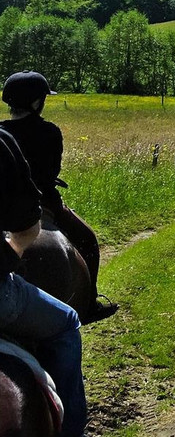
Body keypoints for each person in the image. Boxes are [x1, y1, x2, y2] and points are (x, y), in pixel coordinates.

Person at [0, 71, 117, 325]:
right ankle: (90, 303)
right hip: (44, 202)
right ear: (36, 102)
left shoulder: (1, 131)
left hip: (6, 205)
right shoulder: (50, 132)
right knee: (88, 240)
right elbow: (51, 172)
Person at [0, 124, 87, 437]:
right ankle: (73, 429)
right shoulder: (13, 137)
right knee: (67, 321)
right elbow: (26, 226)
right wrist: (11, 253)